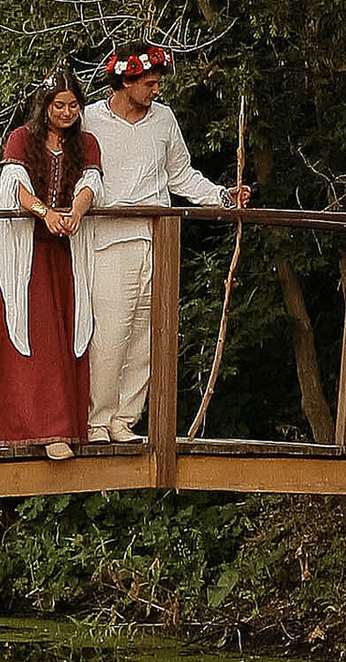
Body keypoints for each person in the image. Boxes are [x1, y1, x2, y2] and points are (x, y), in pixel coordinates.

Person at [79, 40, 249, 445]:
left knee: (146, 334)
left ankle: (125, 419)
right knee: (109, 334)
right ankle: (96, 421)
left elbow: (182, 174)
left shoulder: (164, 119)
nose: (156, 90)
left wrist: (222, 196)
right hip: (110, 238)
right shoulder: (90, 121)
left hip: (159, 238)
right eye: (149, 83)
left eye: (158, 83)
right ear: (124, 81)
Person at [0, 65, 100, 459]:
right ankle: (32, 427)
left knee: (62, 337)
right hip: (30, 251)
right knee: (35, 333)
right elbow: (15, 185)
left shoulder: (86, 143)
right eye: (59, 105)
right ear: (45, 106)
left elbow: (90, 184)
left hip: (66, 253)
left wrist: (74, 214)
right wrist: (45, 214)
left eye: (73, 105)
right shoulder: (22, 139)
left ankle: (62, 428)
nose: (66, 113)